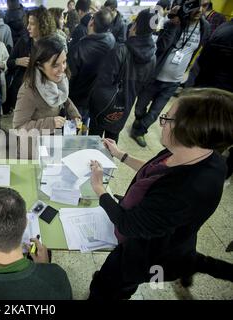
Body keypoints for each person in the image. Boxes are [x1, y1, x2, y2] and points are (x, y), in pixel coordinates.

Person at [88, 88, 233, 300]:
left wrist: (99, 188)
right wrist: (121, 155)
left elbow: (128, 224)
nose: (160, 123)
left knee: (111, 287)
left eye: (167, 118)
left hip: (148, 255)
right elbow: (154, 169)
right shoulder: (195, 152)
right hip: (164, 236)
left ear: (189, 130)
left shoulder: (186, 190)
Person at [130, 2, 210, 147]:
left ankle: (140, 131)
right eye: (196, 6)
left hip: (174, 81)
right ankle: (138, 118)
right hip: (155, 76)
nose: (200, 10)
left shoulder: (205, 27)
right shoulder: (173, 23)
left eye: (203, 6)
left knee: (155, 112)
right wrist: (173, 24)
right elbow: (161, 46)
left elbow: (196, 52)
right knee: (140, 106)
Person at [88, 9, 157, 142]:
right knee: (112, 141)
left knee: (94, 139)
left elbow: (103, 82)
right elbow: (145, 87)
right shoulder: (152, 57)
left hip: (104, 106)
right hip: (125, 107)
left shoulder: (121, 50)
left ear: (135, 26)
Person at [13, 36, 81, 159]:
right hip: (31, 151)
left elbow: (62, 98)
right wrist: (50, 123)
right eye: (55, 65)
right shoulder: (28, 91)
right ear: (39, 65)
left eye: (64, 62)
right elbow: (19, 127)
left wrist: (74, 114)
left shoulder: (59, 79)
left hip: (51, 144)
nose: (62, 69)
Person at [5, 6, 56, 114]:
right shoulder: (23, 41)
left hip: (43, 95)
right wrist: (17, 61)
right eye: (28, 23)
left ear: (42, 25)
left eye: (32, 24)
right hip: (22, 93)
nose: (28, 27)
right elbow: (9, 63)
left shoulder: (52, 45)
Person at [68, 8, 115, 121]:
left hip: (78, 100)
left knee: (71, 131)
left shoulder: (79, 49)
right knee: (85, 127)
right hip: (98, 99)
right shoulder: (111, 40)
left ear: (91, 22)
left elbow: (69, 78)